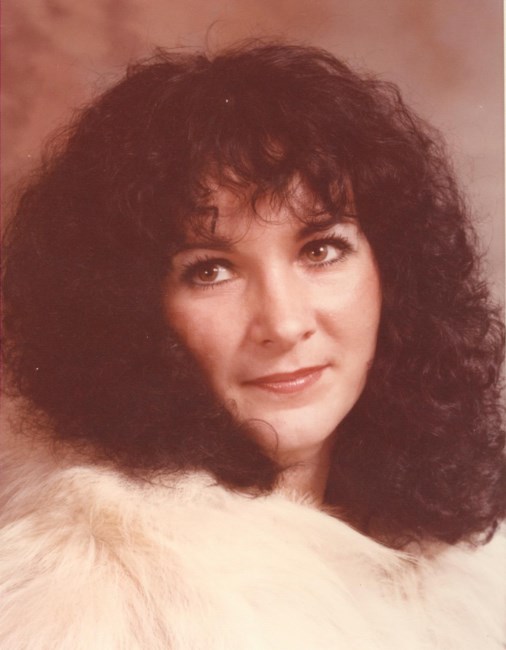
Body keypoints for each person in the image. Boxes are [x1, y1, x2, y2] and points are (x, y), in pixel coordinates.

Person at [1, 41, 505, 649]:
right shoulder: (83, 603)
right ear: (129, 311)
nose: (284, 324)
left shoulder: (470, 574)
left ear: (393, 272)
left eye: (322, 250)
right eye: (210, 270)